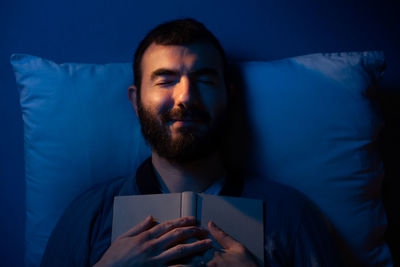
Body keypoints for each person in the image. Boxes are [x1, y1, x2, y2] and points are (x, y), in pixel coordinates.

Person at [41, 18, 342, 267]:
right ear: (136, 101)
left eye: (205, 80)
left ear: (229, 96)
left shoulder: (291, 215)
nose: (186, 97)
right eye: (166, 80)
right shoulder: (89, 215)